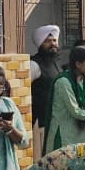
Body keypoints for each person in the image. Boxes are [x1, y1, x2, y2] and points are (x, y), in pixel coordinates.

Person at [45, 45, 85, 150]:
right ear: (78, 64)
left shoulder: (84, 79)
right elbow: (75, 111)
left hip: (79, 134)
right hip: (63, 134)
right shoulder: (63, 82)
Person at [28, 24, 62, 158]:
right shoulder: (34, 65)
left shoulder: (56, 63)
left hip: (56, 120)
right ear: (40, 44)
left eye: (54, 40)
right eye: (48, 41)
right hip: (41, 121)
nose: (52, 44)